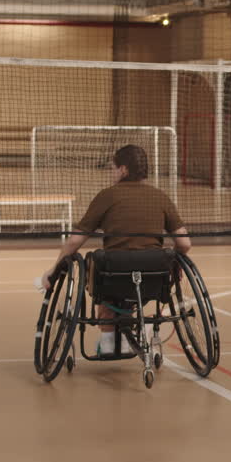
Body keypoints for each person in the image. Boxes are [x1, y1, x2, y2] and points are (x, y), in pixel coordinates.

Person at [40, 144, 192, 355]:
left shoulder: (107, 196)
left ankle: (109, 341)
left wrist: (54, 270)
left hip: (113, 276)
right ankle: (125, 335)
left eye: (113, 168)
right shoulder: (160, 197)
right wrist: (175, 261)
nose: (112, 173)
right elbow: (185, 244)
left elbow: (75, 242)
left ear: (123, 170)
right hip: (153, 277)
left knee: (100, 267)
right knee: (133, 276)